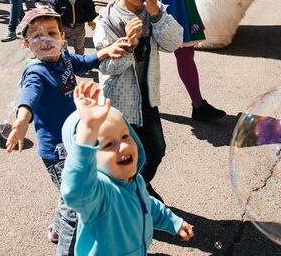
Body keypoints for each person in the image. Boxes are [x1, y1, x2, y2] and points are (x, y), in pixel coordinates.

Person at [5, 6, 130, 254]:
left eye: (51, 32)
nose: (45, 40)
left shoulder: (62, 59)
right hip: (58, 152)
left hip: (76, 141)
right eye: (37, 36)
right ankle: (67, 247)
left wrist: (105, 51)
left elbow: (81, 62)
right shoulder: (36, 72)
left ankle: (56, 228)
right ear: (26, 44)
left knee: (68, 194)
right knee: (76, 203)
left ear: (63, 37)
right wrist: (21, 121)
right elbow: (28, 96)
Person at [60, 82, 195, 256]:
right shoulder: (99, 193)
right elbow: (76, 190)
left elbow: (146, 204)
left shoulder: (135, 181)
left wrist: (172, 222)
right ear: (89, 159)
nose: (123, 146)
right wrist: (88, 131)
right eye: (108, 144)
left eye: (125, 136)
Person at [93, 0, 183, 201]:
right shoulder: (107, 20)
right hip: (119, 103)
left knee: (156, 151)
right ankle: (129, 195)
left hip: (147, 96)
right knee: (123, 157)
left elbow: (174, 42)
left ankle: (139, 185)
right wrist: (129, 45)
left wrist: (156, 13)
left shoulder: (154, 11)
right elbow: (107, 66)